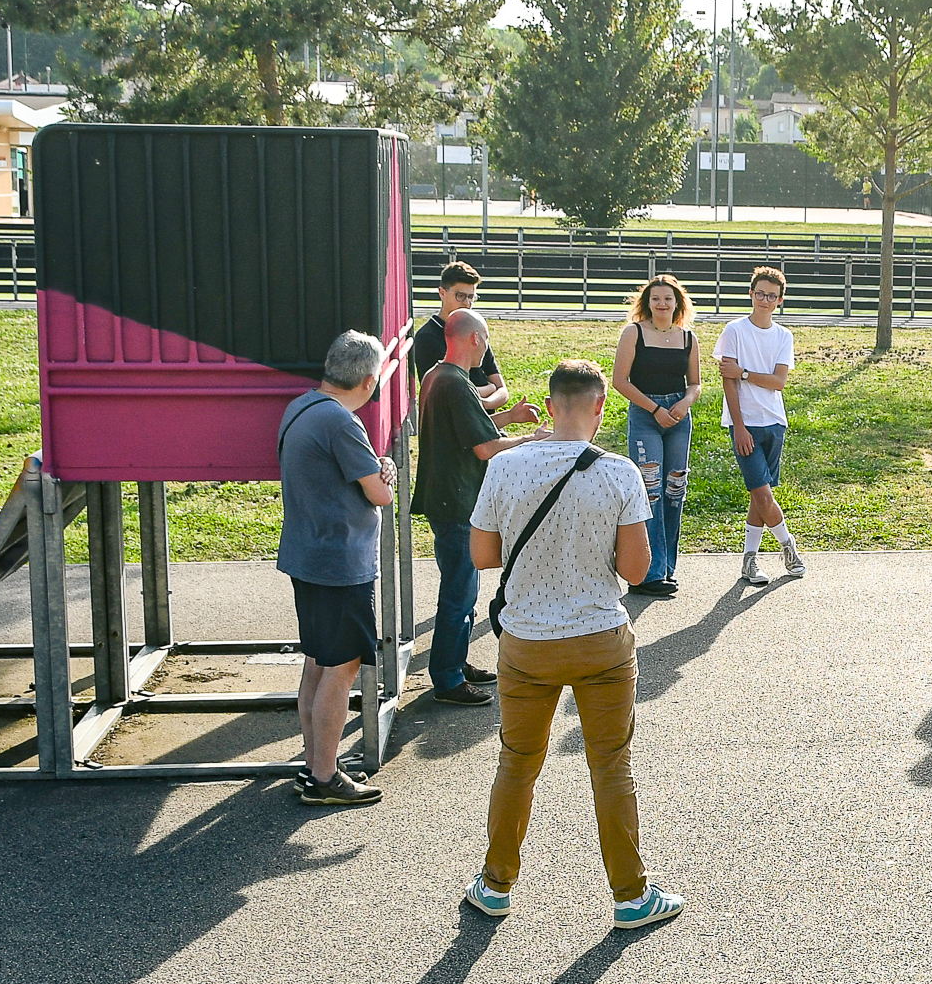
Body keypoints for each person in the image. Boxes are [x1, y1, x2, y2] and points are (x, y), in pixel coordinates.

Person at [462, 358, 683, 931]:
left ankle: (495, 885)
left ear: (551, 404)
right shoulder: (619, 474)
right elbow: (637, 571)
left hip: (527, 642)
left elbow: (484, 556)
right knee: (611, 765)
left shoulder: (505, 468)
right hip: (600, 641)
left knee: (517, 763)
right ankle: (631, 895)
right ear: (600, 408)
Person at [277, 330, 397, 805]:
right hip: (340, 561)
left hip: (308, 553)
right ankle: (325, 777)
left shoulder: (302, 406)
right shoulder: (342, 423)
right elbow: (380, 493)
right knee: (341, 667)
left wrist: (376, 468)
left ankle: (315, 763)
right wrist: (384, 471)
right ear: (369, 381)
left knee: (318, 662)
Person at [414, 309, 541, 706]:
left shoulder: (439, 376)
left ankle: (455, 660)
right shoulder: (455, 382)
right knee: (459, 592)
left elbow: (470, 431)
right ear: (473, 339)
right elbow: (486, 447)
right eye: (485, 338)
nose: (487, 346)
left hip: (446, 496)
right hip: (457, 501)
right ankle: (448, 679)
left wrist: (510, 417)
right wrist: (532, 438)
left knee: (462, 588)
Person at [614, 274, 703, 598]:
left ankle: (666, 569)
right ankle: (645, 574)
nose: (662, 304)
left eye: (668, 298)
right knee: (649, 492)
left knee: (674, 490)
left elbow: (695, 383)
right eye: (656, 299)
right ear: (647, 303)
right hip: (646, 417)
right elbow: (620, 381)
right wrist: (655, 409)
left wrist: (683, 403)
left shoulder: (687, 337)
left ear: (678, 302)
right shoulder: (633, 333)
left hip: (678, 418)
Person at [717, 266, 805, 588]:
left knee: (760, 495)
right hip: (746, 425)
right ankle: (788, 546)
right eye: (759, 294)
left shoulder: (784, 336)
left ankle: (749, 561)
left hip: (775, 423)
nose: (764, 300)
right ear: (750, 294)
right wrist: (739, 426)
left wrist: (743, 373)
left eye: (771, 295)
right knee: (763, 493)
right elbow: (728, 381)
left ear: (779, 300)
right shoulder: (734, 331)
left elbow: (778, 382)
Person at [410, 261, 511, 411]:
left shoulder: (474, 327)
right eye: (460, 296)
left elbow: (502, 390)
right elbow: (443, 395)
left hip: (487, 419)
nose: (467, 303)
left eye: (471, 297)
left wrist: (483, 403)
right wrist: (488, 389)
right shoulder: (427, 337)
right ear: (442, 293)